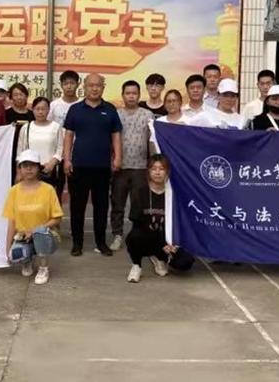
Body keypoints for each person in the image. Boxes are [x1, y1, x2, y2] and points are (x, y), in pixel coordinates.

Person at [63, 73, 122, 257]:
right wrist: (66, 159)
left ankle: (101, 242)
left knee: (101, 206)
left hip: (102, 167)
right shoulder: (75, 109)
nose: (95, 88)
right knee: (77, 206)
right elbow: (69, 135)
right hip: (78, 166)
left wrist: (117, 157)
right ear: (85, 87)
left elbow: (116, 135)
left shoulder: (110, 109)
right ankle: (77, 243)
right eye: (91, 85)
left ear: (103, 87)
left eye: (98, 85)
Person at [126, 154, 195, 283]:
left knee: (185, 262)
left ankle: (161, 259)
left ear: (167, 172)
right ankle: (136, 265)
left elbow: (180, 223)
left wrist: (174, 243)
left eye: (161, 169)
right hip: (147, 236)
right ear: (148, 171)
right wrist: (161, 243)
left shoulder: (173, 194)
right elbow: (137, 223)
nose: (157, 172)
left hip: (167, 239)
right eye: (154, 169)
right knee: (134, 236)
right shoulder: (141, 192)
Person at [4, 149, 63, 285]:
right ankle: (26, 261)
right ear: (20, 169)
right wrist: (7, 249)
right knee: (15, 254)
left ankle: (43, 268)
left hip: (47, 235)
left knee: (40, 232)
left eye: (33, 165)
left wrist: (35, 230)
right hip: (24, 236)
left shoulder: (48, 189)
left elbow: (57, 218)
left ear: (38, 168)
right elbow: (12, 222)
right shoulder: (14, 191)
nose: (29, 169)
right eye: (25, 166)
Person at [109, 81, 154, 251]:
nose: (131, 96)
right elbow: (110, 139)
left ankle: (137, 235)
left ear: (139, 95)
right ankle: (117, 235)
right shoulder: (116, 114)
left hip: (141, 167)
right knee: (117, 204)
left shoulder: (147, 114)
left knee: (139, 205)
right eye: (128, 93)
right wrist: (113, 160)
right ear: (123, 95)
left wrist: (152, 162)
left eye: (134, 93)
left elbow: (152, 140)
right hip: (120, 167)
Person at [16, 97, 64, 195]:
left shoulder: (56, 127)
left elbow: (60, 148)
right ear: (33, 110)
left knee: (50, 198)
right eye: (37, 109)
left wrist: (52, 162)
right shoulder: (26, 128)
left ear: (48, 110)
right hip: (30, 171)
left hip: (49, 171)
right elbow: (20, 152)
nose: (40, 112)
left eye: (43, 109)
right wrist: (19, 172)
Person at [48, 70, 82, 202]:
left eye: (72, 83)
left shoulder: (82, 104)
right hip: (58, 152)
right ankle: (56, 212)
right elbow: (48, 125)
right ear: (61, 85)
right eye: (66, 83)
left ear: (77, 84)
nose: (69, 86)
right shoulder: (54, 105)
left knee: (76, 187)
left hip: (77, 152)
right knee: (57, 186)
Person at [6, 83, 35, 184]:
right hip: (9, 153)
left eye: (21, 94)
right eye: (15, 95)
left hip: (28, 152)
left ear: (26, 96)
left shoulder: (32, 115)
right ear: (11, 98)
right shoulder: (6, 114)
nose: (19, 97)